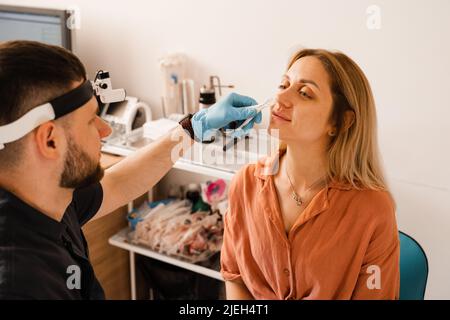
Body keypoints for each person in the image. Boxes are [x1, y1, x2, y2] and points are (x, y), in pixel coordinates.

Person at [0, 40, 261, 299]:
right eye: (92, 119)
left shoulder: (45, 195)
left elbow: (117, 183)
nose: (106, 130)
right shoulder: (21, 282)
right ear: (50, 140)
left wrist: (193, 128)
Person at [220, 48, 400, 300]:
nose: (281, 96)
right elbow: (235, 276)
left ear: (340, 122)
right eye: (283, 84)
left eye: (305, 93)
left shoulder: (373, 210)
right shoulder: (245, 183)